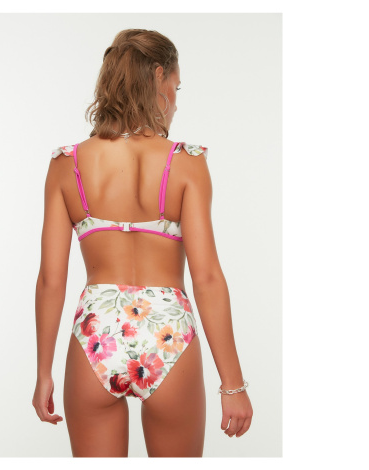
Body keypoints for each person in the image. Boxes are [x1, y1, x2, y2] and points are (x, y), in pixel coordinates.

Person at [32, 28, 253, 458]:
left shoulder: (66, 164)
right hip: (168, 334)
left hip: (96, 334)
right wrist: (233, 384)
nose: (177, 100)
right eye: (177, 86)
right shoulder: (187, 163)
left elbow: (50, 281)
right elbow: (207, 277)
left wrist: (43, 373)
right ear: (157, 76)